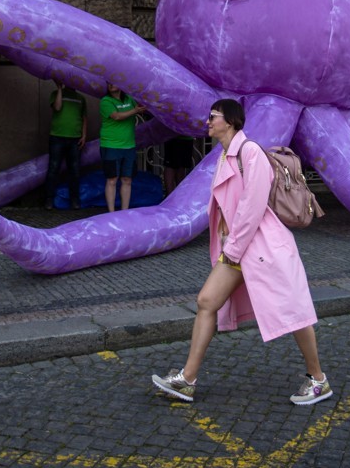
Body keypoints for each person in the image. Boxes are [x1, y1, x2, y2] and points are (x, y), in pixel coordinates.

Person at [152, 99, 331, 406]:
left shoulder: (250, 153)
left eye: (213, 116)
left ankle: (318, 380)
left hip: (263, 247)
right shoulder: (224, 156)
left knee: (294, 312)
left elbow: (253, 206)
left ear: (231, 121)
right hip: (239, 248)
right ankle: (187, 379)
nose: (207, 121)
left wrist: (231, 249)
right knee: (207, 301)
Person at [99, 83, 145, 212]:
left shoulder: (129, 99)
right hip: (111, 145)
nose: (110, 85)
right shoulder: (105, 101)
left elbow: (142, 107)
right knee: (112, 179)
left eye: (113, 82)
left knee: (127, 179)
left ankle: (125, 212)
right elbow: (116, 116)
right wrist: (135, 111)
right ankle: (111, 212)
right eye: (108, 83)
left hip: (129, 145)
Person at [44, 80, 87, 209]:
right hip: (57, 137)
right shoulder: (55, 93)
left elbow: (84, 117)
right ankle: (49, 200)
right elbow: (57, 107)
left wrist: (84, 135)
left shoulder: (81, 98)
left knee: (74, 170)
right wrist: (60, 89)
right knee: (53, 169)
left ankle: (75, 200)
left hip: (75, 139)